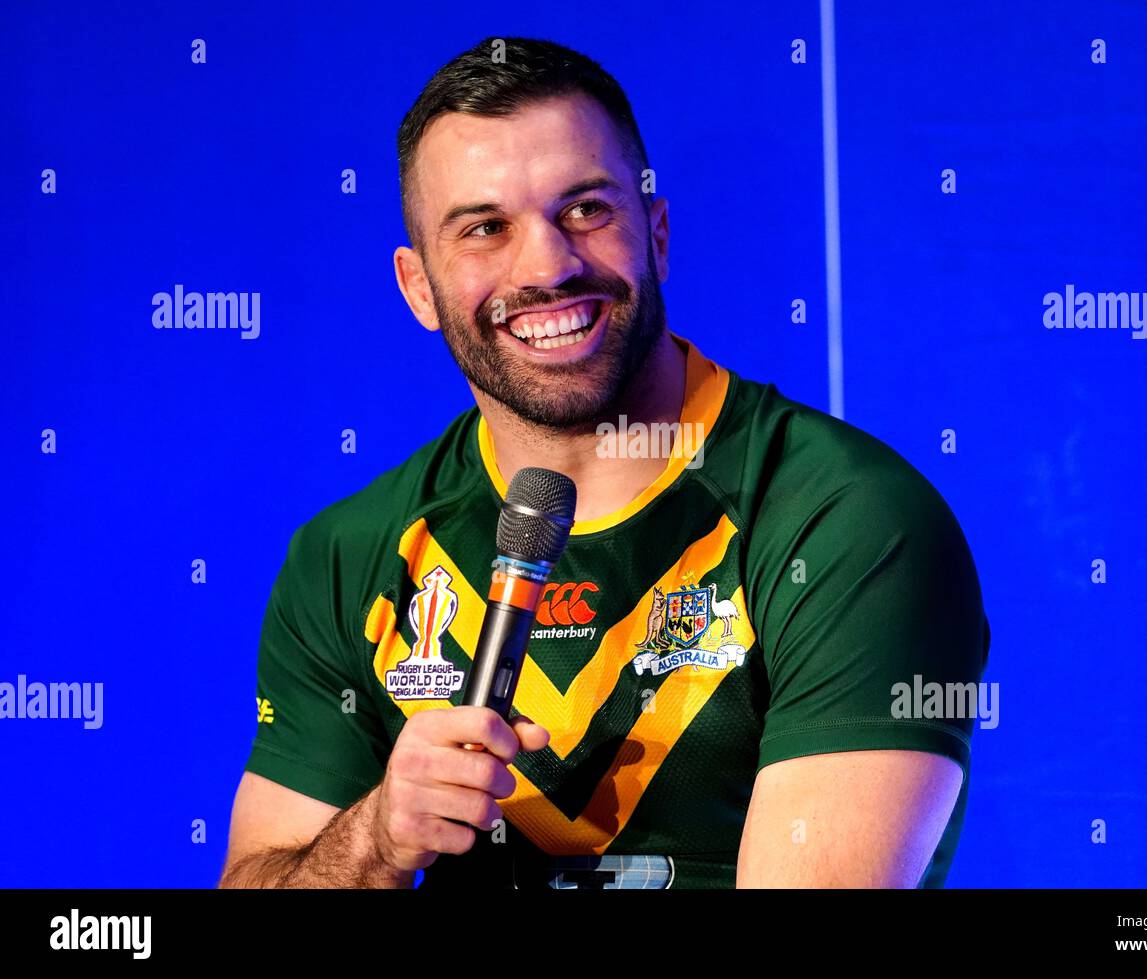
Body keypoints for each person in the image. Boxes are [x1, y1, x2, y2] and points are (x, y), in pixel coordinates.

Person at [218, 36, 991, 889]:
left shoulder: (846, 520)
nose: (547, 265)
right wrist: (377, 837)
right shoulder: (349, 554)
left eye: (586, 209)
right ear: (419, 290)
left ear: (657, 234)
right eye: (485, 229)